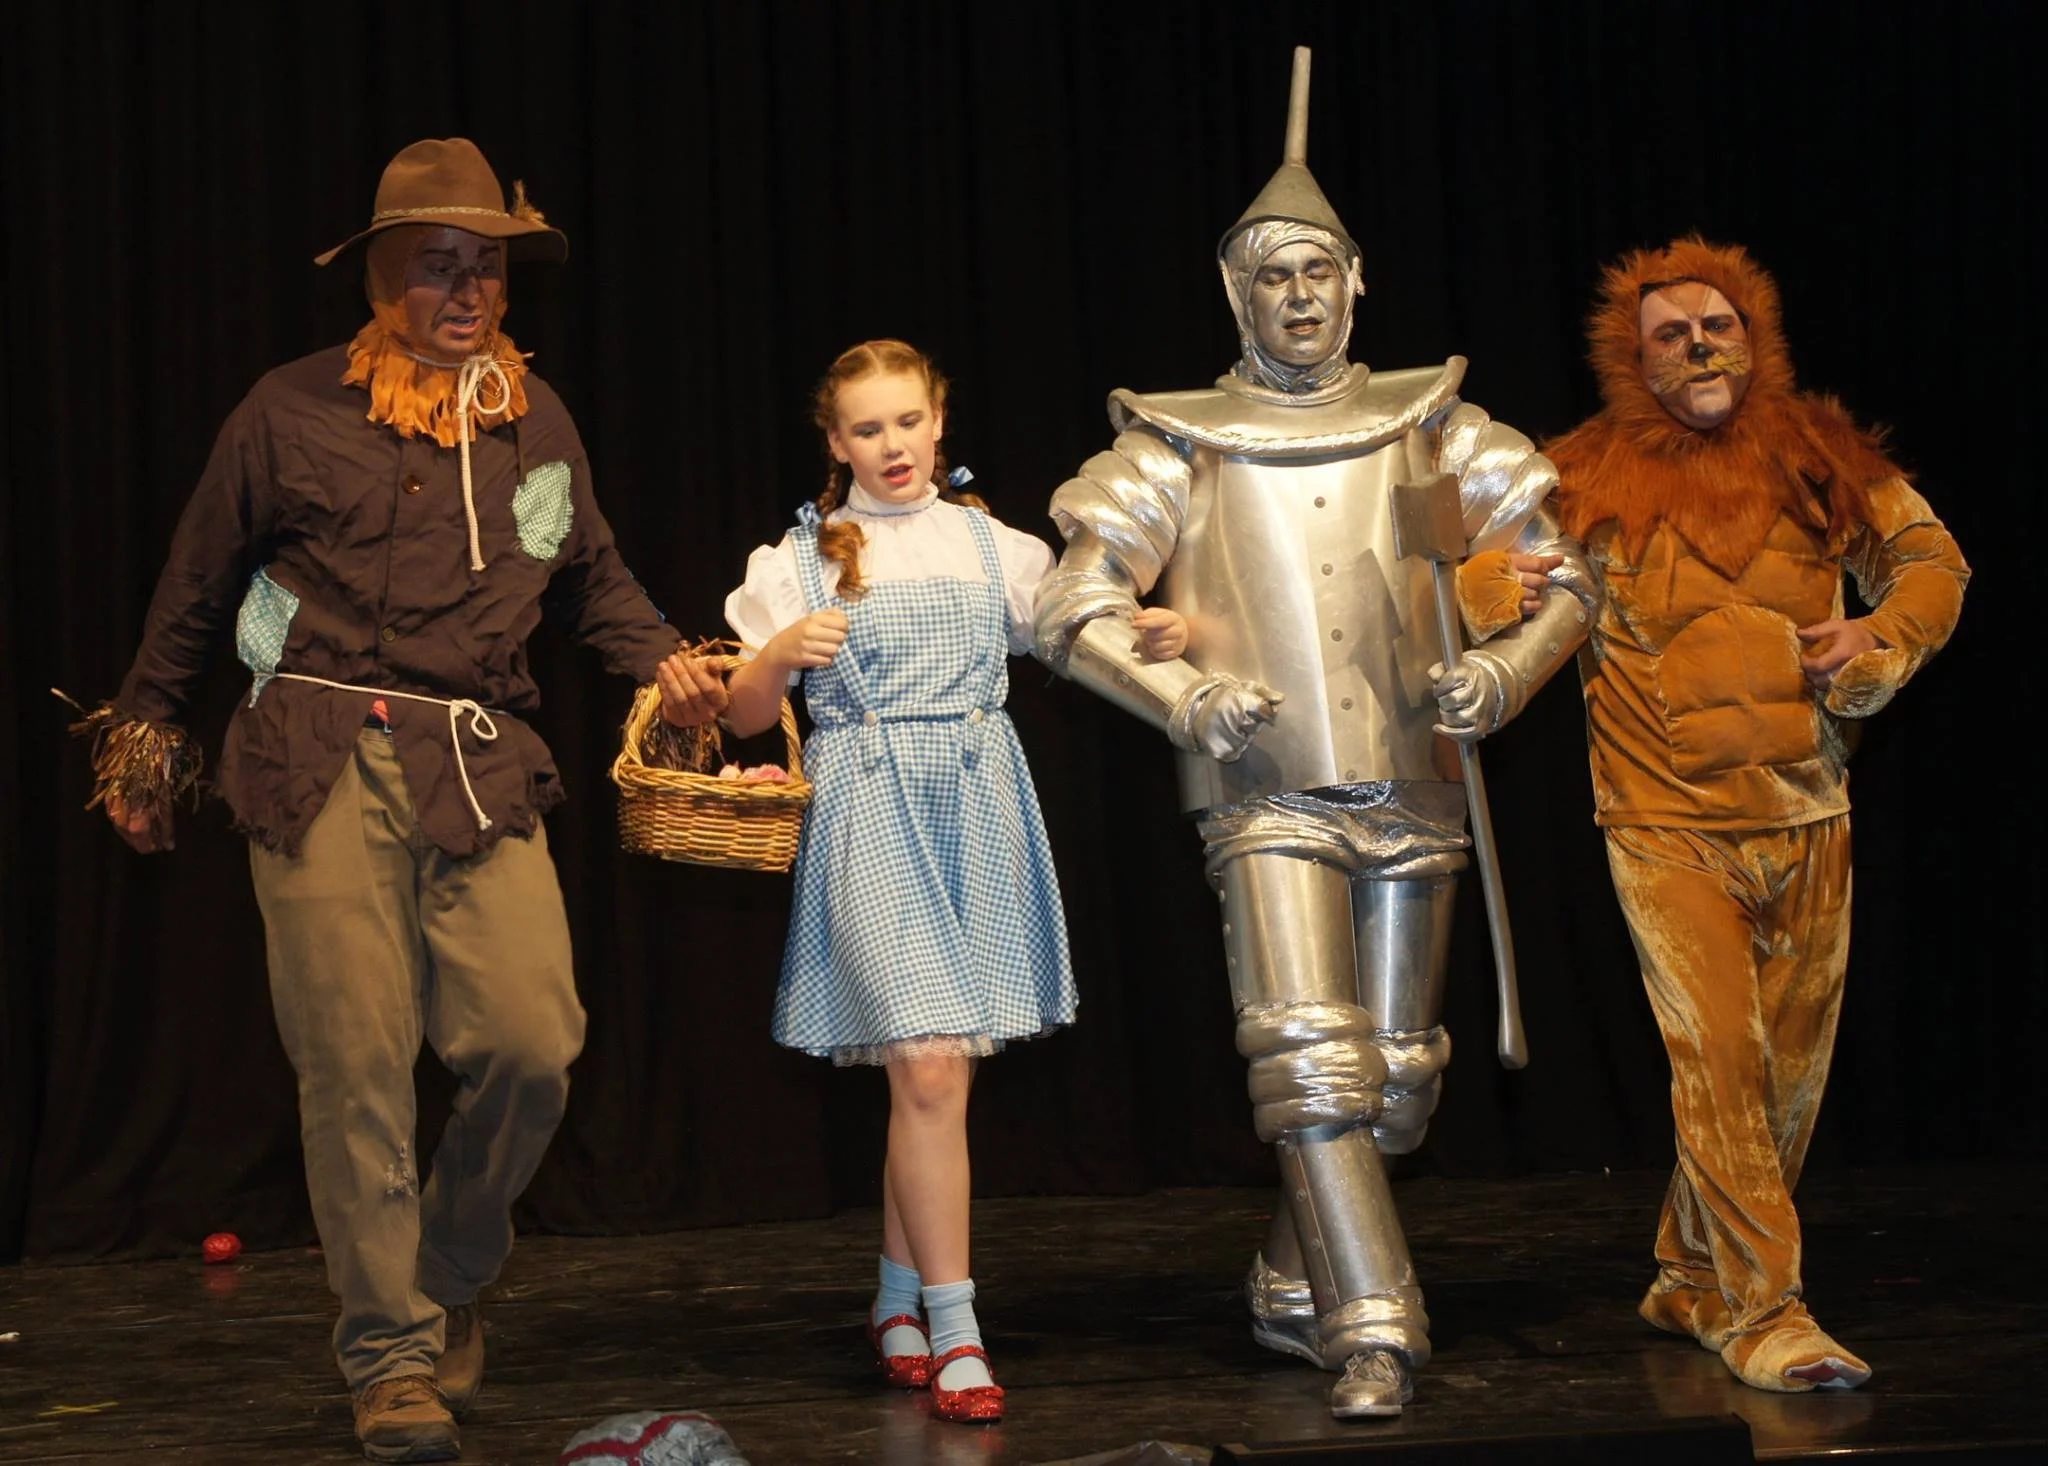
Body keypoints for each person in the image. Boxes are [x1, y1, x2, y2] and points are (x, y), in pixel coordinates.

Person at [85, 138, 728, 1462]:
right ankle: (389, 1360)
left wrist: (665, 657)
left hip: (474, 757)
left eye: (484, 263)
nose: (466, 286)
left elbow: (581, 567)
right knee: (357, 1066)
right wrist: (145, 731)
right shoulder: (289, 409)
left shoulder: (533, 427)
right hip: (314, 755)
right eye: (438, 262)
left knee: (533, 1039)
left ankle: (446, 1266)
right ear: (382, 274)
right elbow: (202, 582)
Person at [1031, 50, 1598, 1418]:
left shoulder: (1435, 422)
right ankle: (1376, 1323)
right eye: (1270, 275)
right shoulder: (1181, 442)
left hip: (1419, 780)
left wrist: (1508, 672)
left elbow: (1567, 573)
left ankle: (1294, 1281)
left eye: (1317, 271)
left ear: (1359, 282)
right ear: (1237, 293)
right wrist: (1185, 697)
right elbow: (1068, 606)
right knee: (1309, 1051)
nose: (1296, 296)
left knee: (1394, 1083)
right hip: (1264, 783)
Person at [1544, 236, 1968, 1393]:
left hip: (1806, 811)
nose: (1697, 346)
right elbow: (1492, 578)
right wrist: (1498, 585)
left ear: (1753, 337)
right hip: (1663, 820)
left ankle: (1690, 1272)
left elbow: (1932, 562)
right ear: (1632, 361)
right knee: (1719, 1058)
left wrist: (1878, 636)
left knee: (1778, 1080)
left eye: (1715, 327)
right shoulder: (1579, 476)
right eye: (1670, 335)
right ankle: (1762, 1308)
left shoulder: (1819, 454)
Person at [717, 340, 1153, 1425]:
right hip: (867, 798)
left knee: (935, 1070)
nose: (891, 445)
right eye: (866, 429)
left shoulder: (991, 544)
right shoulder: (798, 557)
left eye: (905, 421)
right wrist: (776, 658)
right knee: (923, 1062)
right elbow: (732, 714)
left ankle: (896, 1294)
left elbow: (1083, 639)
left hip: (975, 795)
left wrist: (1164, 628)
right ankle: (958, 1323)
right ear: (834, 443)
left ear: (938, 421)